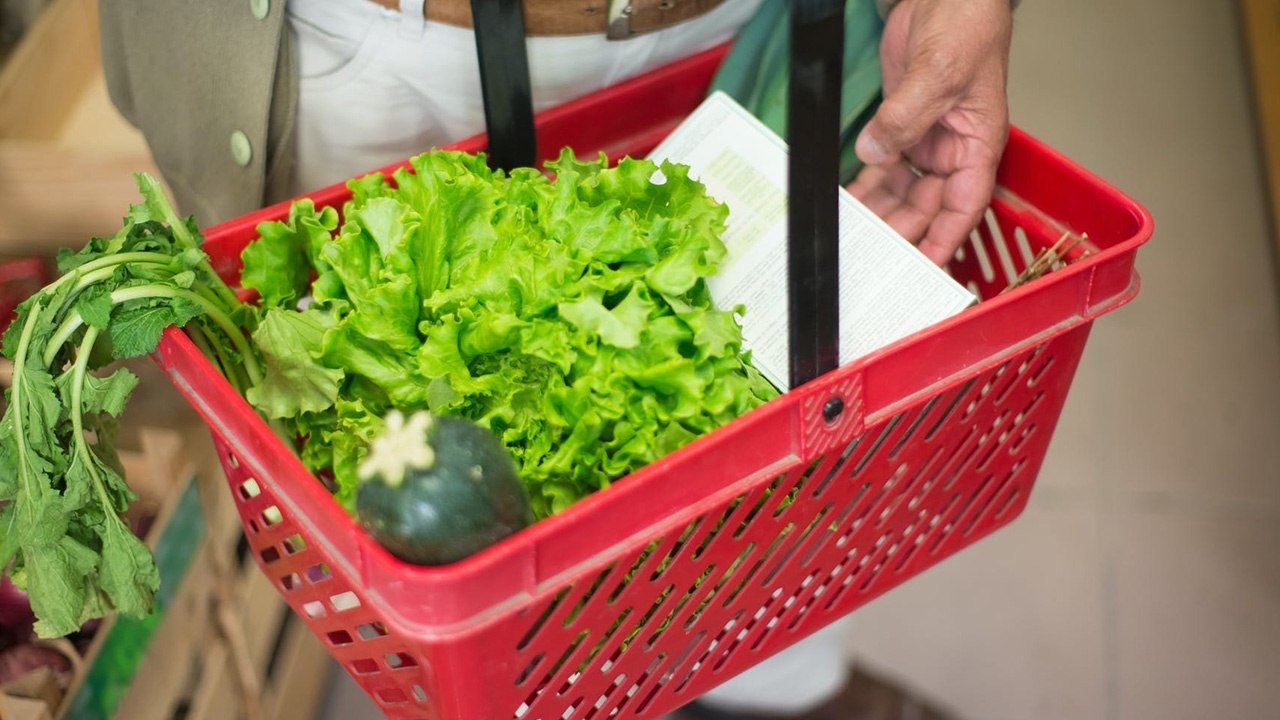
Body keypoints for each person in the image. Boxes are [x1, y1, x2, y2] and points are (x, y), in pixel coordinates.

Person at [98, 1, 1015, 719]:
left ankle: (769, 680)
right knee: (456, 554)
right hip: (384, 47)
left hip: (731, 29)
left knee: (759, 419)